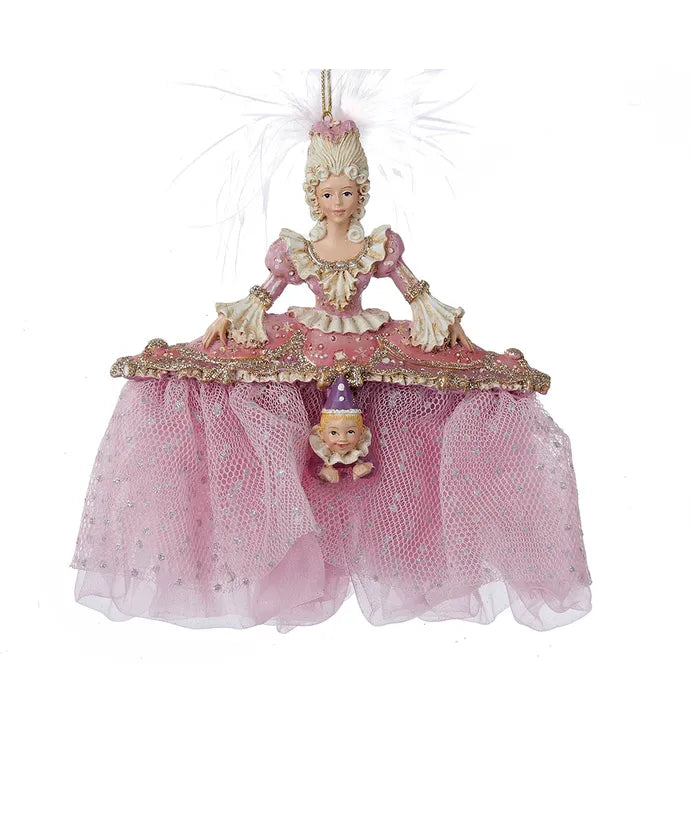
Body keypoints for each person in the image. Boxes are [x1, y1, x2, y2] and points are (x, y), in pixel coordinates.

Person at [72, 114, 591, 633]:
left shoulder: (376, 247)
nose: (337, 202)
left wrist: (437, 317)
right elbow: (266, 292)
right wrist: (237, 316)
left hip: (364, 332)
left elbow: (412, 288)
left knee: (424, 384)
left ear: (360, 195)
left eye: (346, 193)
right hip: (312, 333)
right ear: (314, 197)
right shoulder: (300, 250)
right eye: (327, 194)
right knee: (249, 377)